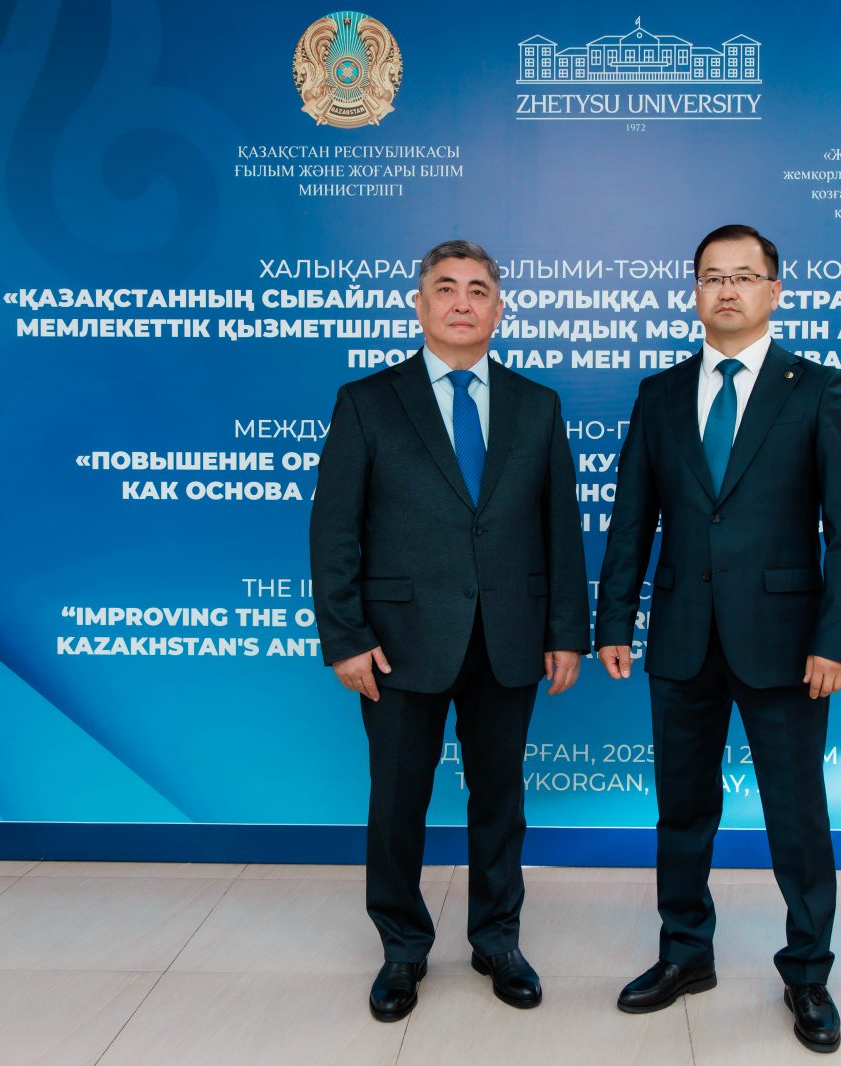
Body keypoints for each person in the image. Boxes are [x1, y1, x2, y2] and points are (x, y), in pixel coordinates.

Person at [596, 224, 841, 1053]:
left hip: (787, 644)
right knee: (682, 809)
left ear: (774, 291)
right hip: (682, 637)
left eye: (744, 276)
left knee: (796, 815)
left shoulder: (818, 390)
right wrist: (615, 620)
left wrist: (836, 640)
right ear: (695, 292)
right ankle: (685, 953)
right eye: (712, 276)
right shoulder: (659, 395)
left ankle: (808, 973)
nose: (727, 290)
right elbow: (632, 520)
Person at [310, 239, 588, 1021]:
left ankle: (497, 939)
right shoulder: (367, 401)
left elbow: (559, 526)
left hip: (509, 637)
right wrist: (345, 635)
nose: (462, 301)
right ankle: (402, 948)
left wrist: (566, 628)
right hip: (397, 643)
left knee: (499, 798)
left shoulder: (537, 405)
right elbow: (334, 531)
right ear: (419, 304)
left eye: (477, 290)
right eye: (445, 287)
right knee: (398, 801)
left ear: (499, 309)